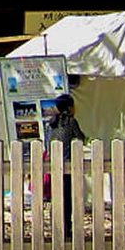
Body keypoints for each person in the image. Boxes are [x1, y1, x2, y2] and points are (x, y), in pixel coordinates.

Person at [45, 92, 89, 237]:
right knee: (67, 198)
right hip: (67, 166)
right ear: (70, 108)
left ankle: (55, 226)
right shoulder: (70, 122)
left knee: (56, 197)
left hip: (52, 165)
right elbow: (81, 138)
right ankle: (66, 228)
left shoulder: (50, 124)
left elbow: (47, 143)